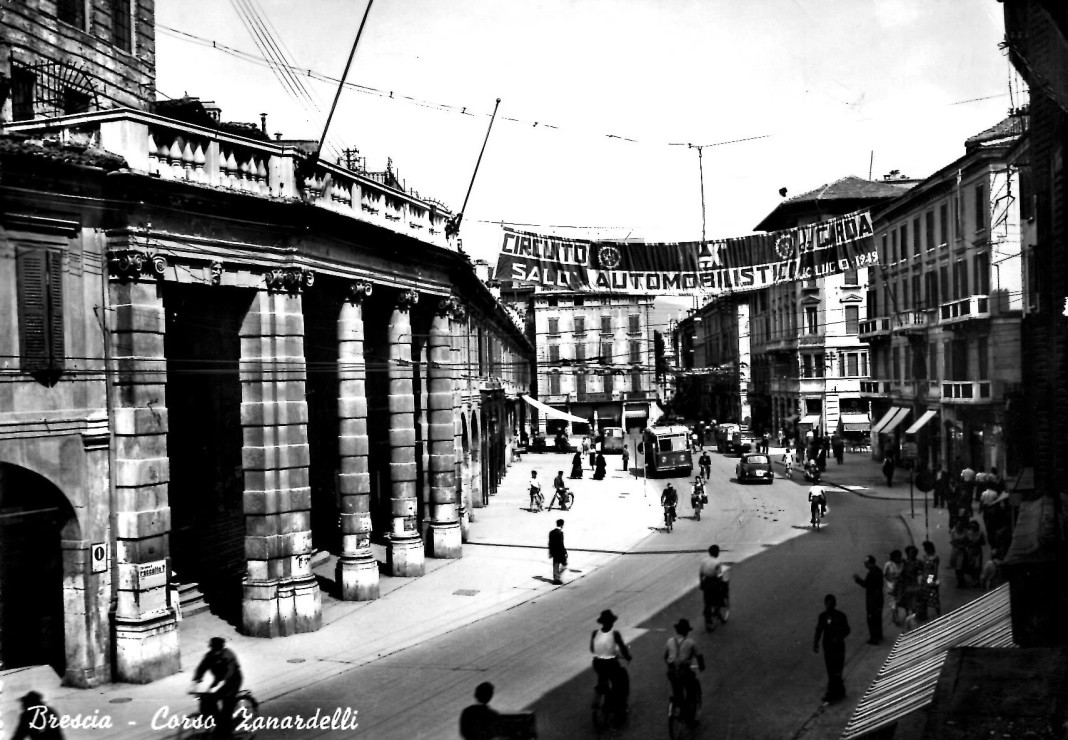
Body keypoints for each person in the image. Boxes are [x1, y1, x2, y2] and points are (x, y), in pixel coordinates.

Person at [192, 637, 243, 738]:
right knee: (207, 700)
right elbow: (202, 667)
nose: (214, 650)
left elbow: (230, 671)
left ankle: (227, 730)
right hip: (219, 681)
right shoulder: (209, 656)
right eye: (213, 648)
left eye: (216, 648)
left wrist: (221, 683)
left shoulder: (228, 655)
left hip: (233, 680)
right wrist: (196, 680)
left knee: (227, 703)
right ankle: (217, 721)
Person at [590, 610, 632, 720]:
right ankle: (618, 706)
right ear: (612, 622)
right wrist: (627, 656)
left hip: (597, 663)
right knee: (620, 680)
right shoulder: (615, 634)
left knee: (602, 678)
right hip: (610, 663)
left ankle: (599, 699)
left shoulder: (595, 633)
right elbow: (623, 648)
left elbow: (592, 649)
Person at [664, 618, 704, 724]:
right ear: (686, 631)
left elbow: (665, 657)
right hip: (684, 672)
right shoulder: (691, 643)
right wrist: (701, 666)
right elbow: (699, 656)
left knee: (677, 691)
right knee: (691, 693)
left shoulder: (670, 641)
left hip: (672, 672)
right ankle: (690, 718)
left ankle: (676, 707)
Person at [813, 594, 850, 704]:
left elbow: (847, 630)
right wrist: (816, 642)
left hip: (838, 647)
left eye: (831, 603)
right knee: (831, 670)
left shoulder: (840, 616)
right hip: (828, 647)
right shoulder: (823, 616)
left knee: (836, 670)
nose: (829, 606)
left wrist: (838, 637)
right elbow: (818, 630)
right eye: (828, 604)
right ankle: (839, 691)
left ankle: (833, 693)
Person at [853, 555, 884, 644]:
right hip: (879, 598)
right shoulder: (878, 571)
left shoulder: (871, 573)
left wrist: (857, 579)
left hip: (872, 599)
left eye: (866, 563)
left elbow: (866, 584)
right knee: (878, 618)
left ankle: (874, 638)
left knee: (872, 619)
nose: (865, 565)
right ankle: (879, 635)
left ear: (870, 563)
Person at [699, 544, 729, 626]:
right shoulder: (717, 562)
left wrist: (701, 583)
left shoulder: (704, 561)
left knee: (707, 600)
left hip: (706, 582)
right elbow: (719, 575)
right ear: (717, 553)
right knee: (721, 592)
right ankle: (718, 608)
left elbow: (701, 573)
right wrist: (722, 582)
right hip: (714, 582)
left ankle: (708, 615)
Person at [899, 545, 922, 617]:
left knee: (914, 600)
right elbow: (900, 572)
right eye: (911, 552)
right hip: (905, 583)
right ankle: (907, 614)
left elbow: (923, 570)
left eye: (914, 553)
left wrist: (917, 574)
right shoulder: (904, 561)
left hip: (913, 583)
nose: (913, 554)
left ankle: (913, 614)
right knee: (906, 599)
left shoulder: (917, 562)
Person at [919, 540, 941, 616]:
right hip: (924, 577)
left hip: (930, 577)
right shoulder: (925, 557)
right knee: (923, 596)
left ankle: (938, 612)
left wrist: (930, 580)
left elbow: (935, 570)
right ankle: (924, 612)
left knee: (933, 595)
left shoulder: (935, 558)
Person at [883, 550, 904, 626]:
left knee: (897, 602)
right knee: (893, 602)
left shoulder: (901, 564)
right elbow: (885, 575)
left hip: (899, 586)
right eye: (897, 557)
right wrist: (891, 580)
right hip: (891, 586)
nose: (898, 558)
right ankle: (896, 618)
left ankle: (894, 616)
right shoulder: (888, 564)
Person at [963, 520, 986, 586]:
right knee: (971, 566)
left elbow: (984, 542)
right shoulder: (968, 533)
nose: (973, 528)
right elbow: (965, 542)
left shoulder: (980, 533)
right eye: (972, 526)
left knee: (977, 566)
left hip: (978, 550)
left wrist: (979, 541)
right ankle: (974, 579)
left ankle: (977, 579)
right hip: (970, 551)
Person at [949, 518, 970, 588]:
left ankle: (962, 580)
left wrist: (964, 545)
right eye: (957, 525)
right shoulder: (953, 531)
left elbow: (967, 540)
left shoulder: (965, 531)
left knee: (961, 567)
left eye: (960, 525)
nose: (959, 526)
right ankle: (960, 581)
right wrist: (959, 545)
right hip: (956, 551)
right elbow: (952, 542)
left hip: (963, 551)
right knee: (957, 567)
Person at [548, 519, 567, 585]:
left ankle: (556, 579)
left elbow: (550, 543)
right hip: (560, 551)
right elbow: (561, 543)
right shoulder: (560, 533)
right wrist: (565, 552)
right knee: (564, 564)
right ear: (562, 525)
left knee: (555, 565)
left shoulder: (551, 532)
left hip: (554, 551)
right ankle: (558, 577)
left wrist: (550, 552)